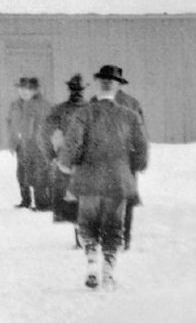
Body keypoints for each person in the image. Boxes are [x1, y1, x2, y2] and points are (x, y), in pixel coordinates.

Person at [61, 77, 148, 289]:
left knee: (87, 222)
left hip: (88, 179)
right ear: (117, 87)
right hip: (117, 180)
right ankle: (108, 272)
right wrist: (133, 167)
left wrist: (66, 164)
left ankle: (91, 261)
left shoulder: (83, 113)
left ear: (97, 86)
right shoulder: (130, 115)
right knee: (114, 226)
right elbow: (141, 149)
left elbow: (73, 144)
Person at [93, 65, 146, 249]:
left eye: (111, 81)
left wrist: (139, 160)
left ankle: (124, 238)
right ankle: (104, 237)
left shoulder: (131, 104)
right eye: (103, 81)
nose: (107, 84)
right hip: (98, 160)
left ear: (119, 83)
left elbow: (140, 136)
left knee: (125, 199)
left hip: (125, 160)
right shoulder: (92, 103)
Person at [45, 74, 90, 230]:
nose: (76, 92)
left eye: (80, 90)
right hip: (66, 158)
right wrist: (52, 154)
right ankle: (78, 229)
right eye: (73, 89)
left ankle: (84, 230)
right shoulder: (59, 110)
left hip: (88, 159)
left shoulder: (92, 109)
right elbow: (47, 133)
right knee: (68, 196)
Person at [6, 77, 53, 209]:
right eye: (21, 89)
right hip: (20, 144)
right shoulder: (15, 105)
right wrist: (12, 141)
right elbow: (10, 123)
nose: (24, 92)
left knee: (39, 172)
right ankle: (25, 200)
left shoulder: (43, 105)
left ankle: (43, 202)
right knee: (22, 173)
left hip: (37, 144)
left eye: (28, 89)